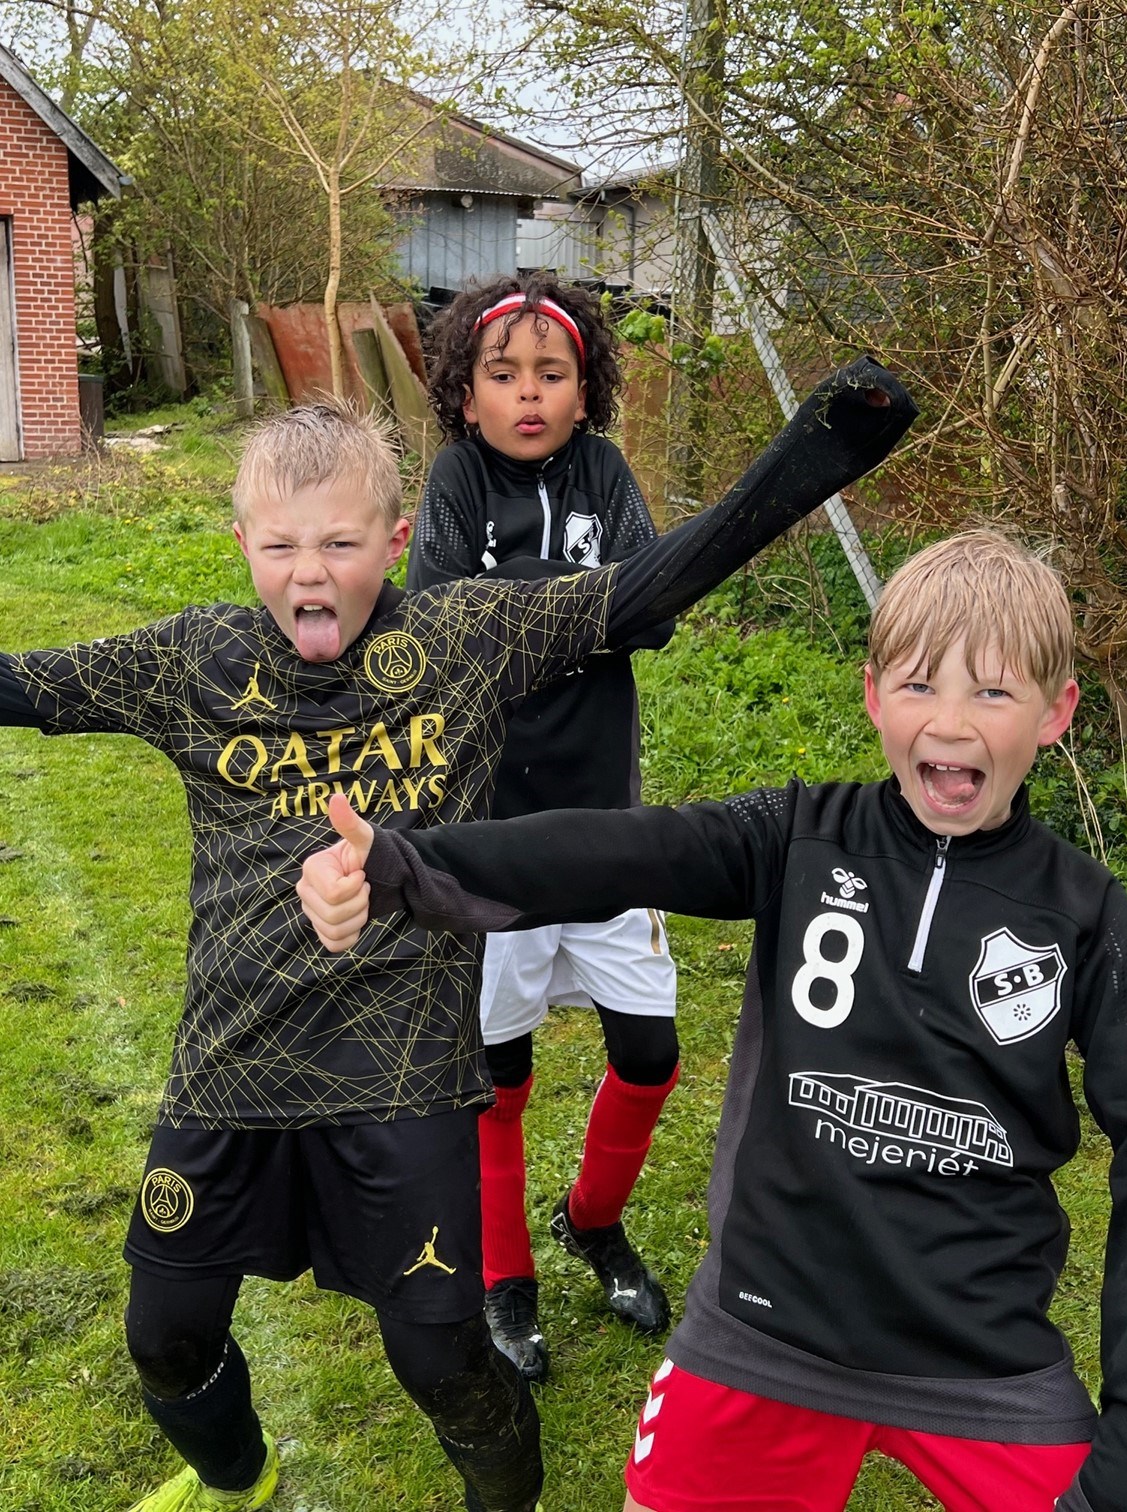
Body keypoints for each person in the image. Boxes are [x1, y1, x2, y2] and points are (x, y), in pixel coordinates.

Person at [0, 360, 915, 1512]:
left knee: (443, 1363)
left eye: (340, 544)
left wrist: (822, 450)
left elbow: (644, 585)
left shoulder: (463, 637)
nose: (309, 572)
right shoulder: (194, 661)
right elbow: (21, 686)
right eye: (280, 547)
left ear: (395, 541)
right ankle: (240, 1480)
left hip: (404, 1077)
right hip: (231, 1070)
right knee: (164, 1340)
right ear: (242, 545)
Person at [297, 531, 1127, 1512]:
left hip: (985, 1363)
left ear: (1056, 712)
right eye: (918, 686)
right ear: (873, 697)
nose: (949, 723)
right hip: (764, 1332)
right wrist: (403, 866)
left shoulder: (1089, 919)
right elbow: (617, 851)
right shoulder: (800, 837)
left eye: (991, 692)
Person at [410, 272, 680, 1382]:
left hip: (606, 822)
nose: (528, 394)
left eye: (552, 374)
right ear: (465, 392)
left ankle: (592, 1221)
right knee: (497, 1075)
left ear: (585, 389)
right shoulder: (456, 480)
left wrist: (528, 602)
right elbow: (437, 621)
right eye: (504, 374)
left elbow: (653, 607)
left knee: (651, 1055)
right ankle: (505, 1275)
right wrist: (584, 602)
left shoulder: (606, 473)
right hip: (495, 833)